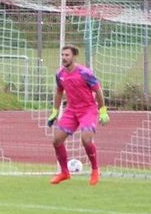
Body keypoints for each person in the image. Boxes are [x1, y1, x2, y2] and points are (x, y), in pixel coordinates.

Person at [46, 45, 108, 185]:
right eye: (62, 55)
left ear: (74, 57)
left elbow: (98, 90)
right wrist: (55, 112)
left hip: (88, 110)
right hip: (71, 110)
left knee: (86, 139)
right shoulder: (60, 74)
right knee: (56, 140)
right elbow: (59, 91)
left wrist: (103, 110)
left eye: (67, 55)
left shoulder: (85, 73)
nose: (64, 58)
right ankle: (64, 173)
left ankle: (95, 170)